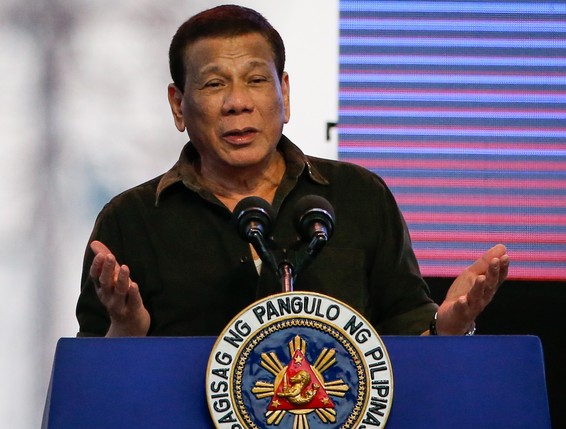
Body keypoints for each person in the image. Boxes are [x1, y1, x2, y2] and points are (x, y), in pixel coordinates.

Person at [76, 4, 509, 338]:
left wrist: (449, 326)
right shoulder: (130, 221)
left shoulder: (359, 195)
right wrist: (126, 331)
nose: (237, 102)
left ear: (283, 91)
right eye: (214, 84)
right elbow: (93, 384)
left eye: (256, 80)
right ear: (178, 104)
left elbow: (407, 332)